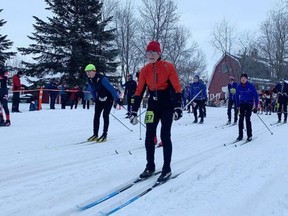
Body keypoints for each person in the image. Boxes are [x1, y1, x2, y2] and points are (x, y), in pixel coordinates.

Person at [129, 41, 182, 182]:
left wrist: (177, 107)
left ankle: (166, 168)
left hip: (167, 104)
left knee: (165, 135)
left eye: (154, 52)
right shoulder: (145, 70)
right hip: (152, 105)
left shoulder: (168, 67)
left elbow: (177, 88)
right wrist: (133, 111)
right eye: (148, 52)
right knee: (149, 136)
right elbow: (139, 91)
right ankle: (150, 166)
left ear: (159, 53)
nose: (151, 55)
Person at [85, 64, 122, 142]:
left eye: (89, 71)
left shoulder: (101, 78)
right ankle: (95, 134)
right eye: (86, 72)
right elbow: (92, 90)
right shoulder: (90, 79)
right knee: (96, 116)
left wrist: (117, 99)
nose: (88, 73)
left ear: (94, 71)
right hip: (100, 98)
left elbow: (111, 89)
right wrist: (95, 98)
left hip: (108, 98)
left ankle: (104, 134)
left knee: (105, 115)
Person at [235, 73, 259, 141]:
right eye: (242, 78)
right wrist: (237, 105)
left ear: (246, 79)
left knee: (247, 118)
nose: (243, 79)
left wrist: (256, 106)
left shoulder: (250, 86)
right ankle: (240, 135)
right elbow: (236, 96)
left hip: (249, 103)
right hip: (242, 103)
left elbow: (256, 96)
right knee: (240, 119)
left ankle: (249, 135)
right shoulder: (238, 86)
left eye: (244, 78)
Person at [0, 58, 11, 126]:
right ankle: (1, 118)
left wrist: (2, 76)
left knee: (5, 106)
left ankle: (8, 120)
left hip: (4, 90)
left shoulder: (5, 71)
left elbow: (6, 78)